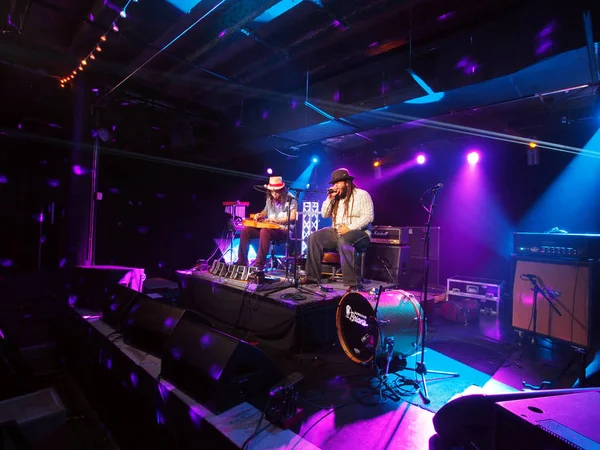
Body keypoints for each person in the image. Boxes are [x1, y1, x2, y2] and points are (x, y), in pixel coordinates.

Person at [305, 168, 374, 287]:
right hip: (338, 232)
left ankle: (352, 283)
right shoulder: (336, 198)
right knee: (313, 238)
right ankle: (312, 277)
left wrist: (350, 228)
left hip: (360, 234)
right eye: (334, 184)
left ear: (346, 182)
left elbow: (369, 216)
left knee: (345, 240)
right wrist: (329, 199)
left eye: (337, 183)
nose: (335, 186)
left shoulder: (362, 194)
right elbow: (324, 214)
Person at [237, 176, 298, 271]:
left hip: (283, 230)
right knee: (246, 231)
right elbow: (265, 211)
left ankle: (258, 265)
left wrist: (277, 220)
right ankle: (242, 261)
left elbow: (293, 216)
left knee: (264, 231)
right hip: (269, 228)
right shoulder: (270, 199)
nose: (275, 194)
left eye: (277, 191)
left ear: (282, 189)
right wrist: (260, 215)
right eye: (273, 191)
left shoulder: (291, 198)